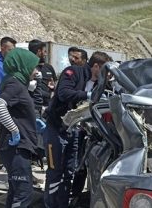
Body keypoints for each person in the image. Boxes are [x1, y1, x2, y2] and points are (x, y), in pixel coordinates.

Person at [44, 51, 112, 208]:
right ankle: (50, 204)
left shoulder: (99, 84)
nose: (107, 76)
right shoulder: (73, 72)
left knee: (69, 171)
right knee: (55, 172)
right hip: (56, 128)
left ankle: (62, 204)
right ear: (96, 66)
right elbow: (63, 93)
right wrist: (88, 95)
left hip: (74, 131)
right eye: (105, 71)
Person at [0, 48, 44, 208]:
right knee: (23, 194)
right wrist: (15, 131)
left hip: (13, 149)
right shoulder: (15, 84)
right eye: (34, 67)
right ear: (23, 65)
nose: (36, 71)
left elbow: (15, 110)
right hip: (16, 149)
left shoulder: (14, 82)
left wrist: (32, 122)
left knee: (15, 192)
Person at [28, 39, 57, 109]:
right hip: (34, 107)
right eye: (44, 51)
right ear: (39, 51)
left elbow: (55, 83)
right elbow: (31, 88)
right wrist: (49, 95)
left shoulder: (49, 67)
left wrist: (54, 88)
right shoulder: (28, 68)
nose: (46, 54)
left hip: (48, 106)